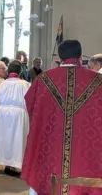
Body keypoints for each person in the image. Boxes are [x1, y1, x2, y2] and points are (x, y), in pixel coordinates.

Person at [22, 40, 102, 194]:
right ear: (80, 55)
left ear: (59, 56)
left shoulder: (43, 80)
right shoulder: (98, 81)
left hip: (50, 149)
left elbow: (31, 108)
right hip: (86, 154)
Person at [0, 60, 30, 176]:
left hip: (4, 114)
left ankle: (7, 165)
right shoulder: (25, 84)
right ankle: (16, 165)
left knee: (5, 139)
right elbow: (29, 100)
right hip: (18, 114)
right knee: (17, 140)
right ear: (20, 71)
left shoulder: (3, 84)